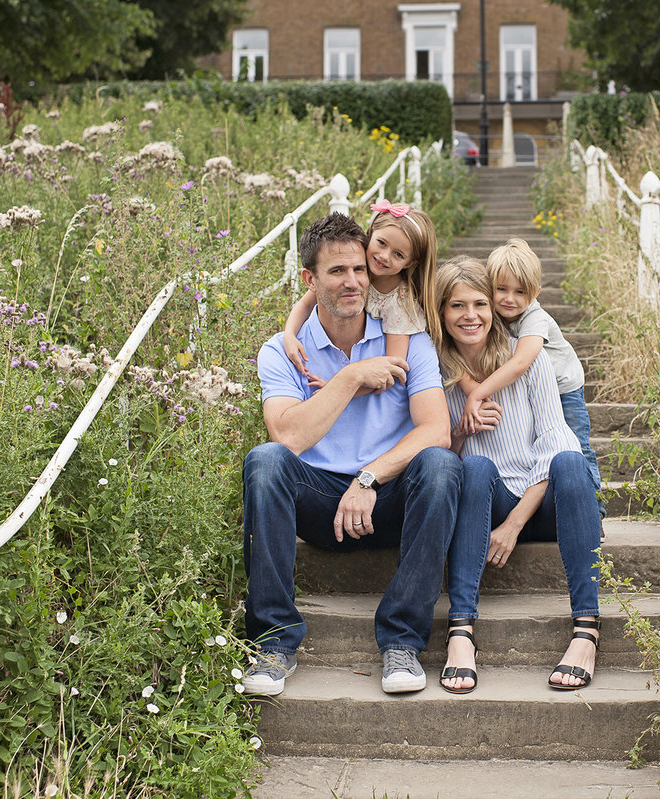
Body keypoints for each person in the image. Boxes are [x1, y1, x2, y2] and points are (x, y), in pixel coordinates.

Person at [241, 212, 460, 697]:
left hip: (387, 498)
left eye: (360, 269)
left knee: (442, 466)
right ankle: (273, 643)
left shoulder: (409, 338)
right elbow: (288, 438)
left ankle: (402, 641)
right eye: (337, 271)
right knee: (265, 461)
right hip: (318, 504)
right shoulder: (283, 352)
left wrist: (369, 479)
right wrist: (351, 377)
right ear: (309, 280)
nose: (353, 281)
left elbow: (436, 429)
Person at [430, 256, 603, 694]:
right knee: (472, 463)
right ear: (441, 312)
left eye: (480, 304)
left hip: (539, 501)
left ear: (494, 308)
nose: (471, 316)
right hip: (486, 497)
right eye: (457, 306)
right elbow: (439, 463)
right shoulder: (436, 374)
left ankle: (586, 630)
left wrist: (512, 525)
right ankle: (460, 630)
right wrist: (459, 432)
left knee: (570, 461)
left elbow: (557, 444)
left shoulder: (529, 360)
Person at [453, 239, 604, 517]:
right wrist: (466, 382)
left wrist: (476, 392)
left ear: (534, 293)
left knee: (576, 448)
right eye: (501, 289)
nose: (509, 299)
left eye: (520, 291)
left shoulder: (535, 318)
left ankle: (593, 508)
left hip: (564, 388)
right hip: (534, 390)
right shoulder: (491, 314)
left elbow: (521, 362)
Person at [283, 200, 438, 386]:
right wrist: (289, 335)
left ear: (410, 262)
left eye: (398, 255)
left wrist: (339, 388)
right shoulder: (354, 265)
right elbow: (306, 302)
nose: (384, 256)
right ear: (370, 234)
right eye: (381, 243)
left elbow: (391, 372)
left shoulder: (400, 304)